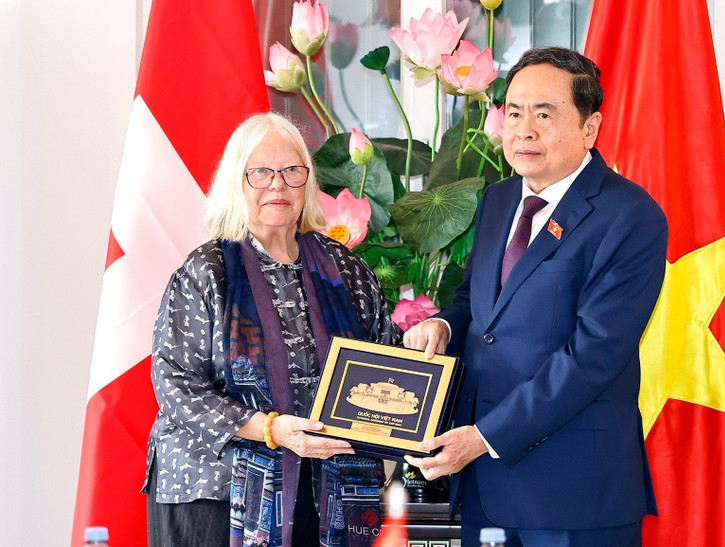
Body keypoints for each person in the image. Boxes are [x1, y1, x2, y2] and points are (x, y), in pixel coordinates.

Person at [403, 47, 668, 546]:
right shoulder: (499, 198)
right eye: (515, 112)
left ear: (590, 128)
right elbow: (476, 307)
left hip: (573, 493)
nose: (524, 129)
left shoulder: (630, 216)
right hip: (486, 488)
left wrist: (482, 439)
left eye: (544, 114)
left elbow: (593, 355)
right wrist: (444, 325)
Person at [142, 112, 400, 547]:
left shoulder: (345, 269)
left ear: (307, 181)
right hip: (215, 491)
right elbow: (174, 384)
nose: (277, 185)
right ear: (235, 182)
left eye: (291, 171)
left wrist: (424, 341)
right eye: (260, 172)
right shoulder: (207, 271)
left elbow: (385, 356)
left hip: (325, 490)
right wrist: (270, 428)